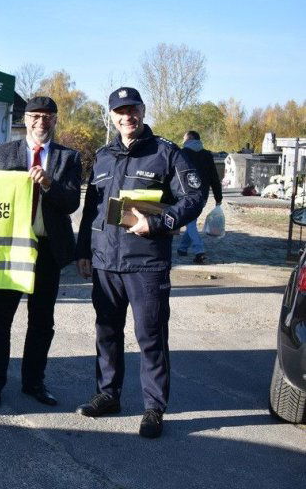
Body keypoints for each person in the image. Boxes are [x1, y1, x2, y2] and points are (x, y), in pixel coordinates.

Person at [75, 87, 204, 438]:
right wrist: (83, 251)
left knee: (150, 336)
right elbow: (92, 210)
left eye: (132, 109)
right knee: (106, 332)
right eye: (120, 111)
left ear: (143, 111)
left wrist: (161, 221)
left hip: (146, 263)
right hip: (106, 262)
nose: (127, 116)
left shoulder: (166, 153)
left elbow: (195, 196)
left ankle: (153, 408)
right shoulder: (102, 157)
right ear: (112, 116)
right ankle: (107, 394)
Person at [0, 96, 82, 408]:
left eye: (47, 116)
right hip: (9, 249)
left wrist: (49, 183)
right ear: (25, 120)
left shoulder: (69, 158)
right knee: (0, 320)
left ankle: (34, 382)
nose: (41, 122)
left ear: (55, 120)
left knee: (42, 321)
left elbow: (71, 203)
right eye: (35, 116)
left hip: (47, 249)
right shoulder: (3, 151)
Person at [177, 130, 222, 264]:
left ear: (190, 138)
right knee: (191, 221)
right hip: (203, 196)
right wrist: (218, 197)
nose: (183, 141)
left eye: (184, 138)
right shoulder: (207, 155)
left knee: (190, 223)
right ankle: (182, 248)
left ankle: (199, 251)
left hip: (187, 194)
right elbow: (214, 177)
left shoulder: (182, 153)